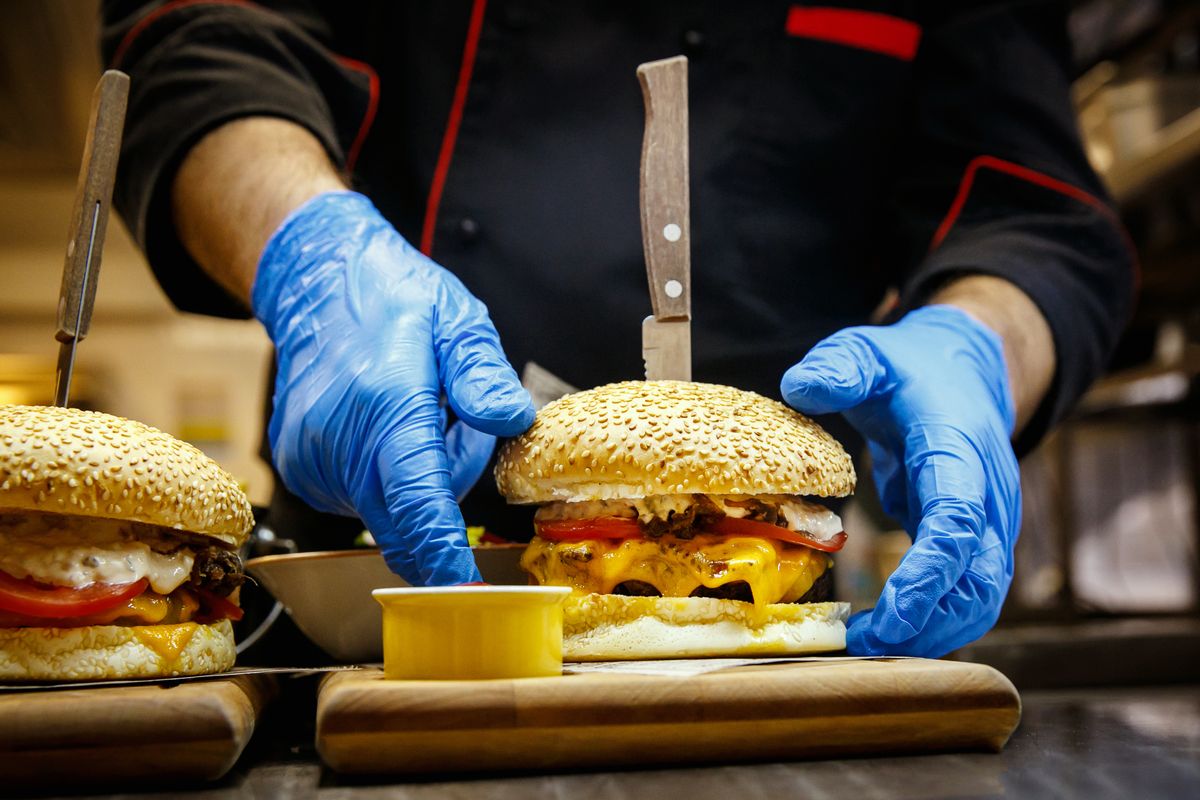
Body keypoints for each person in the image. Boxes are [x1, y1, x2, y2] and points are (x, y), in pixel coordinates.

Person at [100, 1, 1135, 658]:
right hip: (376, 584)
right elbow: (202, 33)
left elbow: (1033, 209)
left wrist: (979, 346)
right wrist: (311, 251)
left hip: (773, 623)